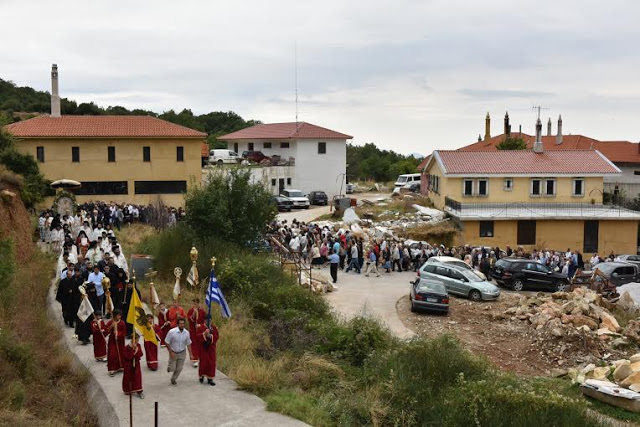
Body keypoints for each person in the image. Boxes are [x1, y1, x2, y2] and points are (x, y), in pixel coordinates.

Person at [165, 317, 194, 385]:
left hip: (182, 353)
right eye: (180, 324)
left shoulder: (187, 333)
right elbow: (167, 342)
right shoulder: (172, 332)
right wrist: (170, 352)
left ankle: (173, 379)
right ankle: (170, 367)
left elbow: (188, 344)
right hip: (173, 352)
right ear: (177, 324)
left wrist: (191, 354)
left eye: (183, 323)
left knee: (179, 368)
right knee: (173, 368)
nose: (182, 325)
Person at [122, 333, 144, 399]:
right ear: (132, 339)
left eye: (138, 339)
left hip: (136, 364)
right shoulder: (127, 347)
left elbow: (141, 354)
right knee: (128, 377)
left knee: (137, 377)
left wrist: (137, 349)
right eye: (136, 339)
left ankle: (139, 391)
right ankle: (128, 389)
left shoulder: (138, 345)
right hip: (128, 365)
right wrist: (134, 353)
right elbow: (126, 357)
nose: (137, 341)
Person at [106, 309, 127, 376]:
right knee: (112, 354)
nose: (119, 317)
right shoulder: (110, 322)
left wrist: (118, 334)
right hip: (112, 340)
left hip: (120, 341)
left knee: (121, 353)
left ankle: (121, 367)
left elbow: (124, 332)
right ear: (114, 315)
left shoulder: (122, 323)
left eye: (120, 315)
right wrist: (111, 327)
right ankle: (112, 369)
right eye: (118, 315)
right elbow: (106, 331)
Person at [187, 299, 206, 368]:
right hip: (193, 330)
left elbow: (205, 321)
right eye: (193, 304)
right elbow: (189, 319)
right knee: (194, 344)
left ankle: (201, 358)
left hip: (200, 331)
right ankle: (195, 360)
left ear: (198, 304)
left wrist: (200, 325)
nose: (194, 305)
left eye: (195, 304)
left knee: (200, 344)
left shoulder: (202, 311)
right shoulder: (191, 310)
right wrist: (193, 315)